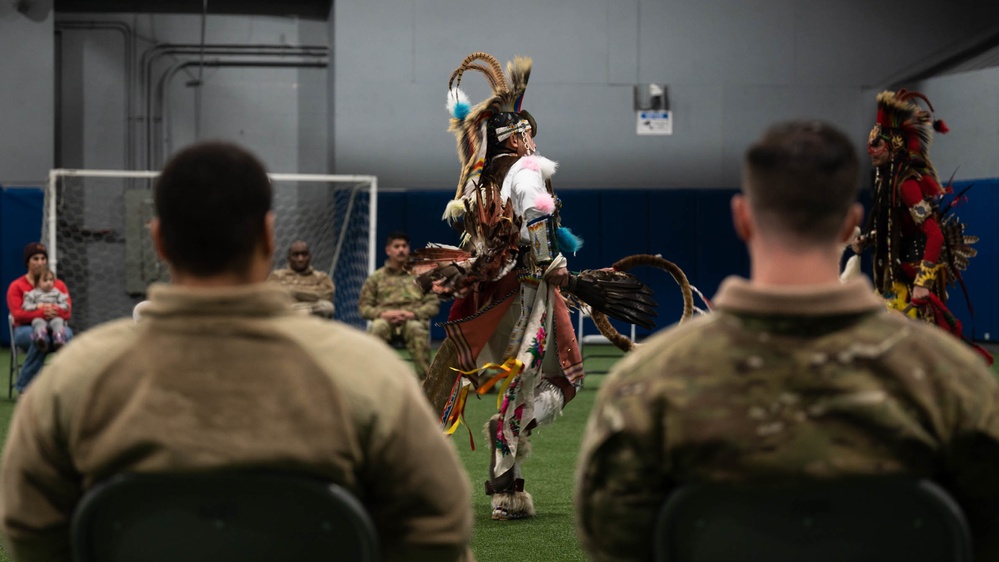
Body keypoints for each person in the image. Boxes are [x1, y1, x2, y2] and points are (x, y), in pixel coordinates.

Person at [0, 141, 474, 562]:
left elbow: (29, 533)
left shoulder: (73, 380)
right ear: (269, 238)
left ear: (159, 239)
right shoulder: (367, 374)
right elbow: (438, 533)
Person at [575, 120, 999, 562]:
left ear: (742, 218)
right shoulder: (951, 382)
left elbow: (616, 545)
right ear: (850, 224)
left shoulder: (647, 387)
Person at [415, 52, 584, 521]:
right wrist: (556, 267)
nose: (533, 139)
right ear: (521, 135)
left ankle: (506, 487)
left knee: (526, 377)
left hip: (497, 295)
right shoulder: (527, 172)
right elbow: (538, 216)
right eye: (528, 131)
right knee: (561, 378)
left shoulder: (478, 181)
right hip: (531, 290)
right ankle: (506, 463)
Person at [852, 89, 990, 363]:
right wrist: (866, 239)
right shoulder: (886, 182)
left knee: (916, 354)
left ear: (893, 147)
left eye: (876, 144)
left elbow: (934, 233)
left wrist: (923, 283)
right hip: (896, 278)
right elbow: (897, 227)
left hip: (913, 275)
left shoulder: (905, 185)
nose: (870, 150)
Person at [359, 231, 440, 380]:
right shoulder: (376, 278)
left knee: (416, 329)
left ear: (408, 249)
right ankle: (372, 379)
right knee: (377, 327)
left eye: (404, 246)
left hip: (412, 319)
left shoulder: (420, 276)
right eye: (396, 246)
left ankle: (425, 380)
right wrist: (383, 315)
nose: (401, 249)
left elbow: (433, 304)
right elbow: (364, 307)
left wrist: (413, 314)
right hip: (385, 319)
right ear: (388, 250)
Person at [5, 242, 74, 395]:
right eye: (35, 258)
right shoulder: (16, 286)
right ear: (27, 262)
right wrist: (43, 312)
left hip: (56, 326)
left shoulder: (58, 285)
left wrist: (54, 311)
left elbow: (67, 312)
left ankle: (65, 389)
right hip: (25, 329)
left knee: (66, 336)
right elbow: (18, 315)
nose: (40, 262)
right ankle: (25, 389)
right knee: (39, 338)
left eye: (43, 258)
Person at [267, 240, 335, 318]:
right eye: (296, 255)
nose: (300, 259)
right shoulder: (277, 275)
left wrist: (290, 290)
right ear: (289, 258)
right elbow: (271, 296)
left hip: (313, 310)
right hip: (287, 311)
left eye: (304, 254)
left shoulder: (321, 277)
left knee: (327, 307)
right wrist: (312, 291)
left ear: (310, 257)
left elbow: (325, 294)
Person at [20, 268, 70, 351]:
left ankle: (59, 338)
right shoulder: (33, 293)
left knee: (58, 320)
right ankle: (40, 337)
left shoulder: (57, 293)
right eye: (45, 280)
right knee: (37, 321)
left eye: (51, 280)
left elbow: (66, 305)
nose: (49, 283)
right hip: (40, 319)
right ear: (38, 282)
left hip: (53, 319)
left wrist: (56, 307)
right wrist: (36, 306)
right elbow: (25, 306)